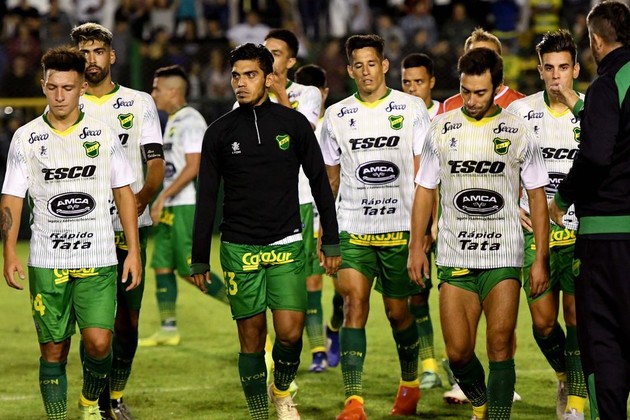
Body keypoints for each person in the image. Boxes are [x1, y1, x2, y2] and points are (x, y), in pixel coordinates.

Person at [189, 43, 341, 420]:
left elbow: (320, 182)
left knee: (290, 335)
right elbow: (206, 197)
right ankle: (260, 414)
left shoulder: (293, 125)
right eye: (236, 76)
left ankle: (281, 391)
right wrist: (199, 257)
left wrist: (331, 238)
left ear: (269, 78)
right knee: (252, 340)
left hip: (286, 242)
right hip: (239, 247)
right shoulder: (219, 132)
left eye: (250, 75)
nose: (241, 83)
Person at [408, 47, 550, 420]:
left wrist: (541, 257)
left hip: (504, 254)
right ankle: (482, 406)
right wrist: (416, 247)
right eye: (465, 91)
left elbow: (537, 196)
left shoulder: (518, 130)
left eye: (480, 93)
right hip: (454, 253)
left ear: (497, 87)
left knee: (500, 345)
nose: (471, 100)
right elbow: (424, 190)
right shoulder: (441, 128)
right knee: (458, 353)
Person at [1, 46, 141, 420]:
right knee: (53, 350)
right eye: (52, 87)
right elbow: (12, 197)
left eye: (68, 87)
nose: (60, 95)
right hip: (47, 260)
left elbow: (124, 193)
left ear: (82, 88)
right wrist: (9, 251)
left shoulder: (103, 134)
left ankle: (89, 403)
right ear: (43, 86)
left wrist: (134, 250)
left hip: (99, 256)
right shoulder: (26, 138)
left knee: (99, 343)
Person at [320, 34, 431, 419]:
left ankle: (410, 384)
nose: (366, 71)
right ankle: (353, 401)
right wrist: (326, 231)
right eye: (358, 65)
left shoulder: (412, 108)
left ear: (384, 65)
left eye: (372, 63)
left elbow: (424, 176)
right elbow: (330, 180)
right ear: (350, 71)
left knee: (399, 313)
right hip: (353, 227)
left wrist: (424, 231)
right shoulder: (336, 115)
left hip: (401, 229)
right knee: (354, 304)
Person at [70, 22, 165, 419]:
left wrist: (140, 200)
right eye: (84, 52)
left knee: (127, 324)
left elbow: (155, 163)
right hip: (84, 232)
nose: (91, 59)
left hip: (128, 230)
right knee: (94, 326)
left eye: (97, 51)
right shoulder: (66, 101)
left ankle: (116, 396)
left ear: (112, 55)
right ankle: (94, 400)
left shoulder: (139, 102)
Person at [549, 2, 630, 418]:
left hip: (607, 239)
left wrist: (562, 198)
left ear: (596, 41)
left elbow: (597, 154)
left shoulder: (607, 82)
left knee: (605, 341)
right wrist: (581, 107)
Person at [441, 27, 525, 406]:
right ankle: (472, 388)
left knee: (502, 328)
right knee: (459, 340)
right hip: (458, 233)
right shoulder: (447, 111)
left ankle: (502, 381)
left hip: (504, 232)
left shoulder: (519, 110)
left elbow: (529, 169)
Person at [507, 29, 587, 420]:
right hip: (535, 231)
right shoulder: (520, 113)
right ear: (539, 70)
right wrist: (511, 205)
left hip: (578, 229)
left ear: (576, 69)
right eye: (549, 68)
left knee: (575, 316)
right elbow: (501, 166)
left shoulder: (591, 110)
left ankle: (576, 402)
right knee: (542, 323)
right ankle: (564, 375)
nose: (556, 76)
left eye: (563, 67)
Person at [140, 64, 229, 348]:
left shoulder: (191, 120)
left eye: (157, 88)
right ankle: (168, 329)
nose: (153, 94)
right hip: (170, 205)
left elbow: (194, 166)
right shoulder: (173, 121)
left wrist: (163, 197)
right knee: (162, 266)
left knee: (191, 269)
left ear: (173, 91)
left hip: (184, 205)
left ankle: (241, 305)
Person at [262, 28, 327, 373]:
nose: (268, 57)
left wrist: (279, 94)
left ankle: (317, 348)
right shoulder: (246, 96)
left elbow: (302, 135)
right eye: (265, 51)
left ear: (290, 61)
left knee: (310, 280)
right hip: (263, 204)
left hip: (302, 200)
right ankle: (270, 348)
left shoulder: (308, 93)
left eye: (275, 52)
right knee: (269, 281)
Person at [294, 63, 346, 370]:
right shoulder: (294, 123)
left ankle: (334, 329)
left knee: (344, 291)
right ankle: (317, 353)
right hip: (306, 211)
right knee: (311, 283)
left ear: (325, 92)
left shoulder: (338, 122)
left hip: (338, 214)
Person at [400, 52, 444, 390]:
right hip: (414, 216)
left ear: (431, 82)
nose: (412, 88)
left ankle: (458, 359)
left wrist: (436, 220)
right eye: (406, 82)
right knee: (417, 294)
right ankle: (429, 365)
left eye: (419, 82)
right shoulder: (397, 114)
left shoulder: (446, 113)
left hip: (452, 219)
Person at [443, 28, 525, 112]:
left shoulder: (520, 104)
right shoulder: (450, 105)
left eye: (488, 56)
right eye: (475, 55)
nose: (481, 61)